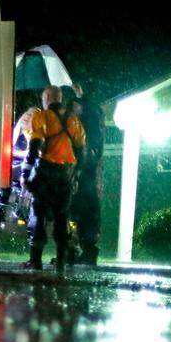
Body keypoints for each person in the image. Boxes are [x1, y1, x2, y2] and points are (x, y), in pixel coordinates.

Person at [22, 85, 86, 273]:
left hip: (46, 172)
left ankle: (36, 260)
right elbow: (81, 152)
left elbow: (34, 147)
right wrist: (75, 175)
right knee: (61, 216)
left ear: (48, 97)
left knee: (38, 214)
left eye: (43, 98)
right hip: (65, 174)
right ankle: (61, 260)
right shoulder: (74, 120)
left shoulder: (41, 117)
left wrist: (25, 174)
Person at [70, 84, 104, 265]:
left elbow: (90, 143)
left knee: (84, 210)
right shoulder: (88, 118)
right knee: (77, 211)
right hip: (82, 171)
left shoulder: (90, 117)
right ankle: (79, 249)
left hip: (85, 172)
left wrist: (82, 98)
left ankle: (87, 250)